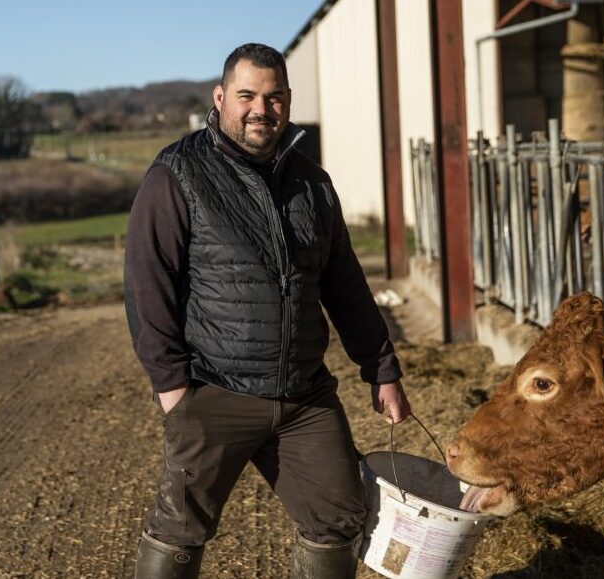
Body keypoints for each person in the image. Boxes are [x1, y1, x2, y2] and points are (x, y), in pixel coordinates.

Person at [124, 43, 411, 579]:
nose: (261, 109)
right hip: (215, 389)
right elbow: (147, 284)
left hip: (304, 397)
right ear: (220, 98)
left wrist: (383, 370)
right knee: (181, 528)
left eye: (274, 97)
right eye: (247, 95)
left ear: (288, 101)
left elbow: (345, 283)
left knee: (339, 518)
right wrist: (172, 386)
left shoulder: (312, 183)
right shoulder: (177, 175)